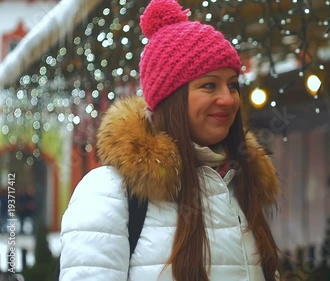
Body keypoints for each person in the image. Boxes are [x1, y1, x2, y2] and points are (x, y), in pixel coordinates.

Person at [58, 0, 281, 280]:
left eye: (233, 85)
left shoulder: (240, 183)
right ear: (170, 98)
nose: (228, 99)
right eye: (209, 85)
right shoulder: (109, 191)